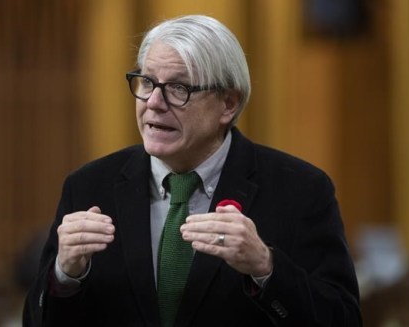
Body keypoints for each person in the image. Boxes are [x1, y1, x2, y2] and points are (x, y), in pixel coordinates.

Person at [23, 14, 362, 326]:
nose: (154, 103)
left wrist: (266, 267)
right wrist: (64, 276)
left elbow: (343, 319)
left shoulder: (300, 190)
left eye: (178, 88)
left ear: (228, 103)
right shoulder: (88, 187)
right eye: (146, 83)